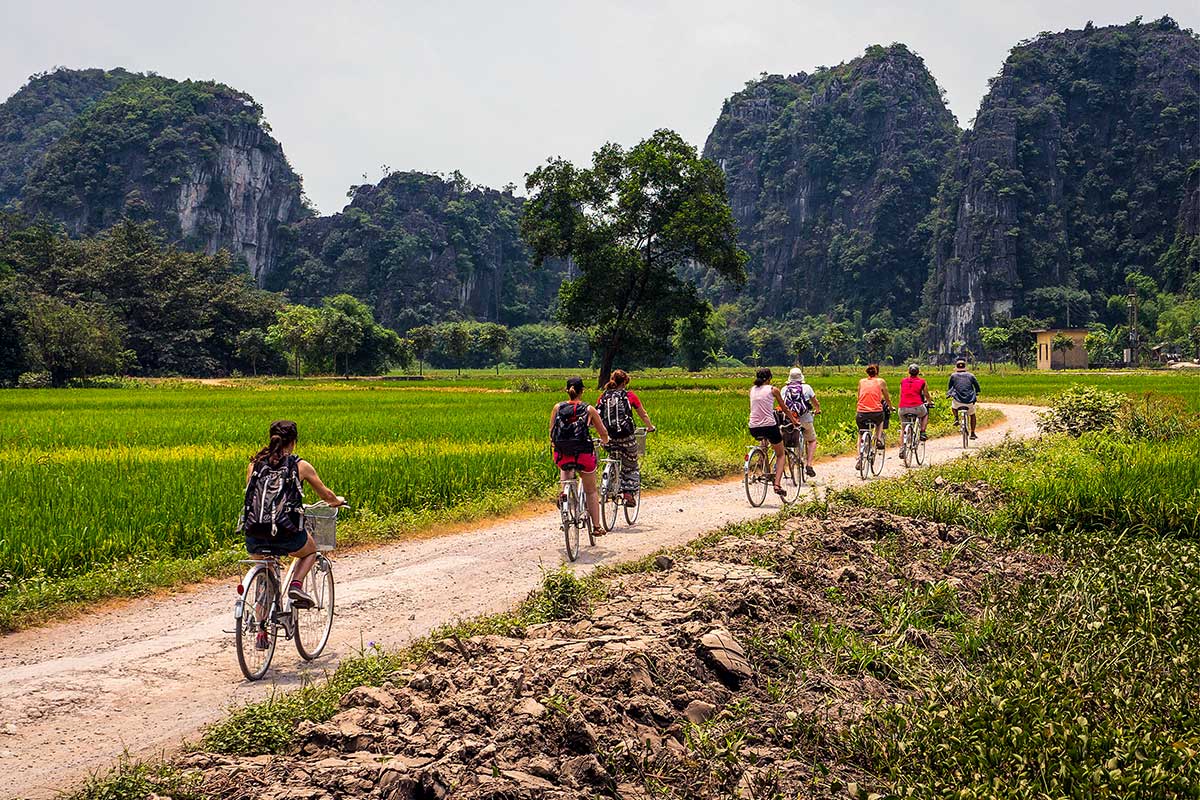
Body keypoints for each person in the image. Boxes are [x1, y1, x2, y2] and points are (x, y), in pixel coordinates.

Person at [242, 420, 345, 648]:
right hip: (285, 533)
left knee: (265, 578)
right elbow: (326, 495)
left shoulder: (254, 465)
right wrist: (336, 501)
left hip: (255, 533)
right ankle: (296, 586)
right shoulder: (300, 466)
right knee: (310, 551)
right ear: (294, 441)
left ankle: (261, 632)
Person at [550, 376, 610, 531]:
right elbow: (602, 432)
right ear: (582, 390)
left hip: (562, 454)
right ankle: (596, 527)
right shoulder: (589, 409)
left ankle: (564, 495)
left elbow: (552, 432)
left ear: (567, 390)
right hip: (584, 454)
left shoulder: (557, 408)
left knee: (566, 473)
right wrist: (605, 440)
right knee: (591, 491)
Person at [596, 369, 655, 506]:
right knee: (631, 464)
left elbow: (596, 415)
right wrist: (650, 427)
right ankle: (628, 493)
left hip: (608, 439)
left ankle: (608, 486)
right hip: (626, 438)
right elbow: (643, 414)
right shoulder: (629, 396)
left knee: (612, 456)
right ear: (624, 382)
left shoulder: (603, 396)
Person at [748, 367, 799, 497]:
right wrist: (793, 420)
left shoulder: (752, 390)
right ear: (770, 378)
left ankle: (761, 459)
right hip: (769, 426)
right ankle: (777, 484)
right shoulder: (773, 390)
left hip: (753, 427)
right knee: (780, 454)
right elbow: (784, 407)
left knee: (764, 442)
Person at [781, 367, 820, 477]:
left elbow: (782, 405)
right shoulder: (807, 388)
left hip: (790, 420)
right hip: (805, 419)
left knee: (785, 443)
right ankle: (809, 464)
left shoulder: (784, 389)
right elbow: (815, 402)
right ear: (801, 377)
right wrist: (817, 410)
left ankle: (780, 464)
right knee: (812, 440)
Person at [855, 364, 892, 463]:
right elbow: (887, 398)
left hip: (861, 413)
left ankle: (859, 457)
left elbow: (859, 397)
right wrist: (890, 407)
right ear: (877, 373)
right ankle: (879, 438)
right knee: (881, 420)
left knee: (861, 433)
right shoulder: (881, 382)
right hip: (876, 413)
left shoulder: (861, 382)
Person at [947, 359, 982, 439]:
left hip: (957, 400)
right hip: (969, 400)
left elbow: (950, 388)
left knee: (953, 406)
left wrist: (949, 394)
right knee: (972, 415)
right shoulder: (971, 375)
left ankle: (956, 418)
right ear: (965, 367)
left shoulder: (953, 376)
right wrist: (977, 392)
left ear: (956, 367)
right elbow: (977, 386)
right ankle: (972, 433)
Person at [898, 364, 932, 441]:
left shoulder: (903, 381)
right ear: (918, 372)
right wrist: (929, 402)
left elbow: (901, 394)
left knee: (903, 429)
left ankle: (902, 448)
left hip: (902, 408)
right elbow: (926, 394)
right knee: (925, 414)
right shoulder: (922, 382)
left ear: (908, 372)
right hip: (917, 407)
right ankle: (923, 431)